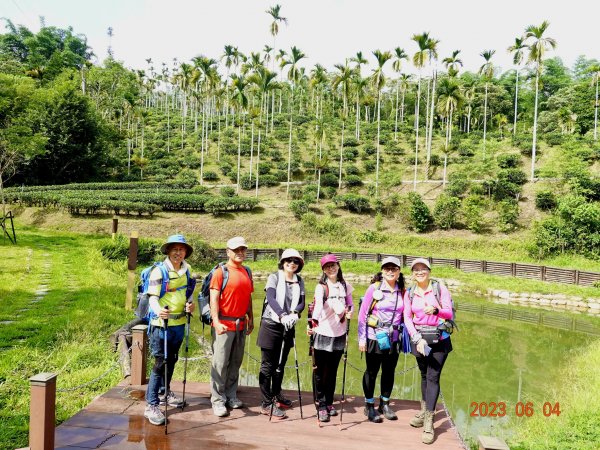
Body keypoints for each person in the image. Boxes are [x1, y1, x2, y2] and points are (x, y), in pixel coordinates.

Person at [144, 234, 195, 426]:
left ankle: (165, 392)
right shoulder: (159, 271)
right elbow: (152, 298)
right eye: (174, 249)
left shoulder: (187, 270)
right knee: (159, 363)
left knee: (172, 359)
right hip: (161, 325)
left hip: (179, 324)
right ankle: (151, 405)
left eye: (181, 250)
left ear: (185, 253)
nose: (178, 253)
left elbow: (188, 294)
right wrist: (159, 312)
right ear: (168, 251)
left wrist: (190, 305)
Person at [403, 257, 453, 445]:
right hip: (419, 340)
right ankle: (424, 410)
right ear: (412, 273)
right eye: (416, 269)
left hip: (439, 340)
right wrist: (416, 337)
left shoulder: (439, 289)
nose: (420, 272)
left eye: (423, 269)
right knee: (424, 375)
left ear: (429, 271)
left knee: (433, 377)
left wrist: (436, 310)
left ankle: (429, 422)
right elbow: (407, 318)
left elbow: (449, 312)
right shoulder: (409, 293)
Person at [257, 249, 306, 420]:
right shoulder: (274, 277)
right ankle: (266, 403)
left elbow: (301, 302)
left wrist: (295, 313)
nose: (292, 263)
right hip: (271, 324)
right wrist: (282, 315)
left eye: (296, 261)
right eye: (289, 260)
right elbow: (271, 298)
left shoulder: (299, 280)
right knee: (268, 365)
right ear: (283, 261)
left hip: (288, 326)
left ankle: (276, 394)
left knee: (281, 364)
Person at [209, 236, 254, 417]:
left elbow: (248, 297)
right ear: (228, 252)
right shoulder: (221, 272)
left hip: (240, 324)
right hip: (224, 324)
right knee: (220, 363)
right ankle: (217, 400)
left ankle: (231, 395)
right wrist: (216, 322)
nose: (240, 253)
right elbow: (214, 299)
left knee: (236, 362)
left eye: (243, 250)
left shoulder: (247, 271)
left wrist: (251, 317)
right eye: (236, 250)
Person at [358, 256, 405, 423]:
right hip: (374, 336)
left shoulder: (403, 290)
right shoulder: (374, 288)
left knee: (389, 371)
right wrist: (362, 339)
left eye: (394, 269)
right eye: (387, 268)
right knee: (371, 371)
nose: (390, 271)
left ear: (399, 271)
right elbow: (363, 315)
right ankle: (369, 405)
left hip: (393, 338)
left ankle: (384, 404)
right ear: (382, 271)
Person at [310, 253, 354, 423]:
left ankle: (329, 402)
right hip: (323, 333)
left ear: (338, 265)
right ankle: (321, 405)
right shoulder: (321, 287)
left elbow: (350, 304)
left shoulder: (345, 285)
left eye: (333, 265)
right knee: (320, 372)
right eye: (327, 266)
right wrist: (313, 322)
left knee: (333, 371)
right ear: (323, 270)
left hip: (339, 334)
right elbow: (318, 306)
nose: (331, 268)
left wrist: (350, 312)